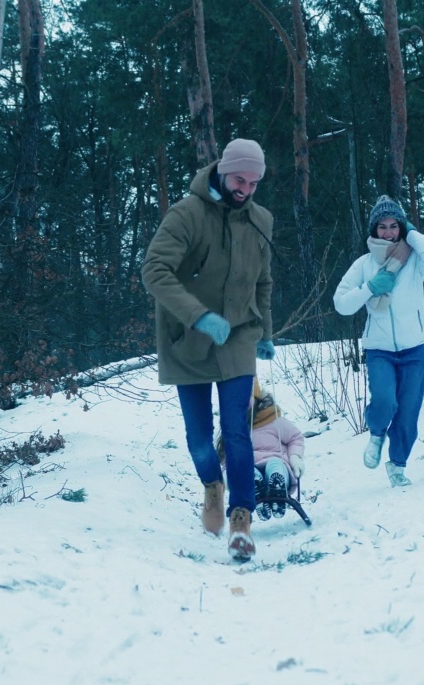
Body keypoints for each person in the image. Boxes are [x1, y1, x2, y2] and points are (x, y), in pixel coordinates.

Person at [142, 138, 275, 562]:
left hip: (238, 335)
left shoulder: (261, 220)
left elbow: (263, 283)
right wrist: (198, 316)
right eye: (241, 179)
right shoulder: (186, 214)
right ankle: (211, 486)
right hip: (189, 337)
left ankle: (241, 518)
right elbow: (154, 271)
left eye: (255, 183)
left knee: (237, 429)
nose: (247, 189)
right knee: (200, 440)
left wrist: (266, 332)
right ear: (223, 170)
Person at [332, 195, 424, 487]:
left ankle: (397, 465)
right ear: (373, 230)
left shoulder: (415, 260)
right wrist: (369, 288)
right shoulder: (364, 264)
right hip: (379, 350)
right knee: (385, 401)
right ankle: (376, 434)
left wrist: (411, 232)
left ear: (401, 227)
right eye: (381, 226)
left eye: (393, 226)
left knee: (408, 414)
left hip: (414, 350)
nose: (388, 232)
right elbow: (341, 303)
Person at [247, 379, 305, 521]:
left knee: (275, 464)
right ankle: (255, 487)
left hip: (276, 462)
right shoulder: (235, 428)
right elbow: (227, 457)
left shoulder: (273, 420)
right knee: (244, 469)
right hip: (249, 466)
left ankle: (277, 487)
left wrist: (295, 457)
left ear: (256, 398)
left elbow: (295, 438)